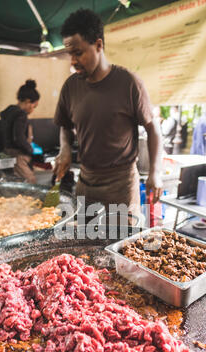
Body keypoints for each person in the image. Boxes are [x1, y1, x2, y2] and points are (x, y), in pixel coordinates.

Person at [53, 9, 163, 219]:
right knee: (84, 247)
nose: (73, 61)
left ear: (99, 45)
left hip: (120, 186)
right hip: (86, 184)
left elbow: (153, 128)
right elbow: (65, 124)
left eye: (79, 53)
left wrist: (155, 173)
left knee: (120, 246)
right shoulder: (70, 87)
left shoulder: (129, 83)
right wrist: (65, 149)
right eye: (70, 54)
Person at [0, 79, 40, 184]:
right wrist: (30, 149)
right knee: (31, 184)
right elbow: (18, 138)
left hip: (6, 153)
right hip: (18, 157)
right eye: (34, 106)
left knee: (15, 185)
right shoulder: (21, 115)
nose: (33, 109)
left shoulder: (9, 111)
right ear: (27, 101)